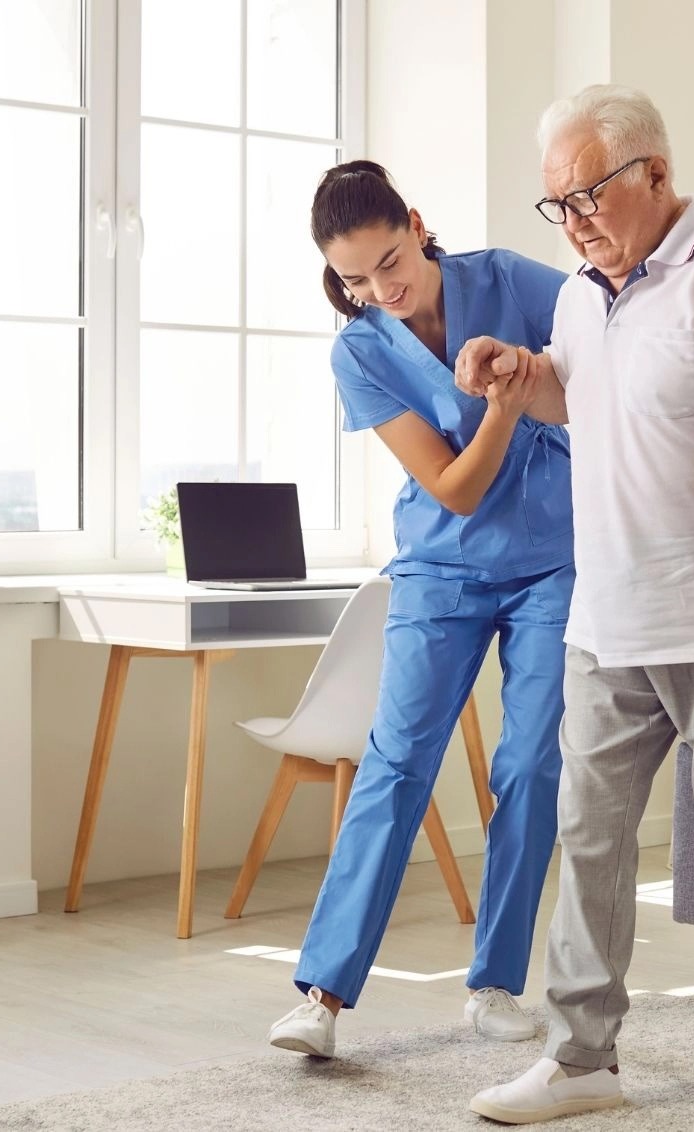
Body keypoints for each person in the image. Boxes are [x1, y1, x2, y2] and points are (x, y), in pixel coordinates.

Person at [457, 85, 694, 1122]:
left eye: (587, 194)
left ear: (654, 176)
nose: (572, 219)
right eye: (556, 203)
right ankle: (581, 1056)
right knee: (587, 835)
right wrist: (519, 374)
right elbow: (584, 399)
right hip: (609, 620)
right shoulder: (581, 294)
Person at [267, 160, 573, 1060]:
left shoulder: (513, 280)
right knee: (396, 765)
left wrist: (534, 379)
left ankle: (495, 985)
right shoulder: (360, 349)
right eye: (356, 278)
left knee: (527, 767)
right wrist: (507, 412)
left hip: (555, 563)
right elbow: (452, 487)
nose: (381, 289)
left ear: (417, 223)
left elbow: (612, 331)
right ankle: (321, 996)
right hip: (441, 569)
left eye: (390, 261)